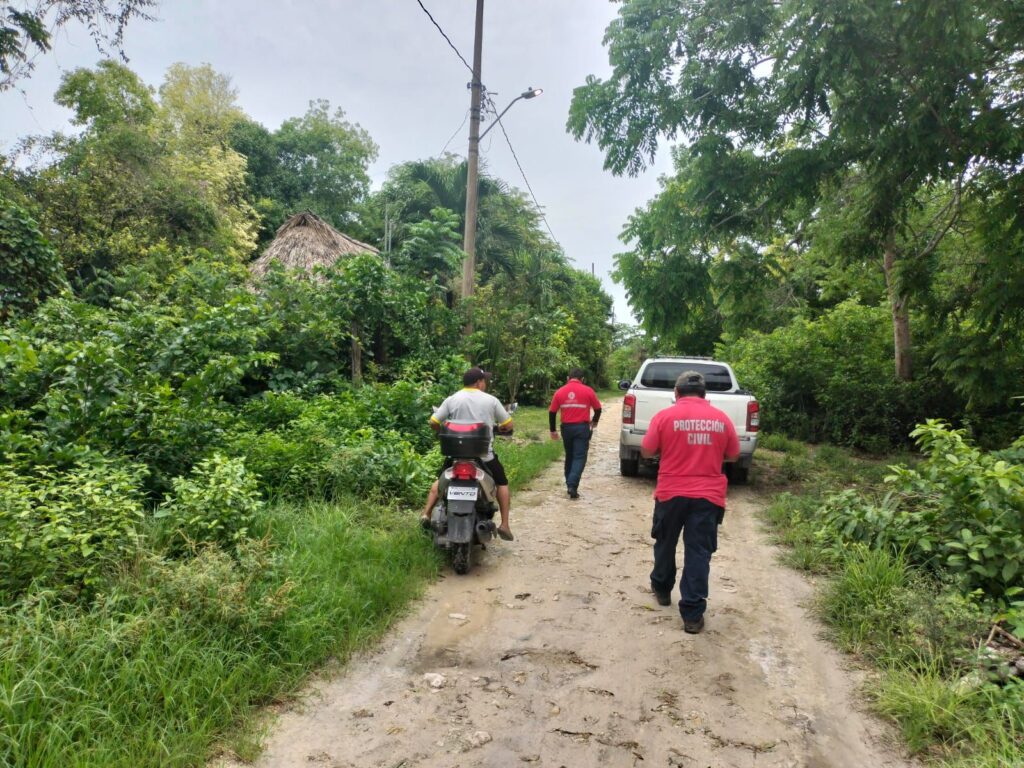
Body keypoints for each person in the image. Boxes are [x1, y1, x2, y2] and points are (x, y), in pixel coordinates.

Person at [640, 371, 739, 634]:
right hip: (707, 496)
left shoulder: (664, 417)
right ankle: (693, 615)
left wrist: (669, 449)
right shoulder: (721, 419)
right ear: (705, 395)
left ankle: (662, 588)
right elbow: (733, 454)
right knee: (698, 553)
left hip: (671, 493)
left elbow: (647, 450)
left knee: (665, 541)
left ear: (676, 392)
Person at [419, 367, 515, 541]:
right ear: (478, 382)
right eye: (484, 381)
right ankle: (505, 525)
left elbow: (433, 421)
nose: (485, 384)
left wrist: (443, 429)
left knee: (441, 479)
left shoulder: (452, 399)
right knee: (502, 482)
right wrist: (499, 428)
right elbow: (508, 424)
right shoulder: (490, 400)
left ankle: (426, 514)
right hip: (483, 456)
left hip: (455, 456)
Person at [548, 368, 602, 499]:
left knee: (570, 456)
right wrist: (594, 421)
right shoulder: (588, 390)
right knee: (579, 457)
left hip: (566, 429)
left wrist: (553, 430)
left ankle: (569, 485)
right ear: (582, 379)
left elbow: (552, 412)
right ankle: (572, 485)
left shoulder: (560, 392)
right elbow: (598, 408)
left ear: (568, 378)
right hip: (582, 428)